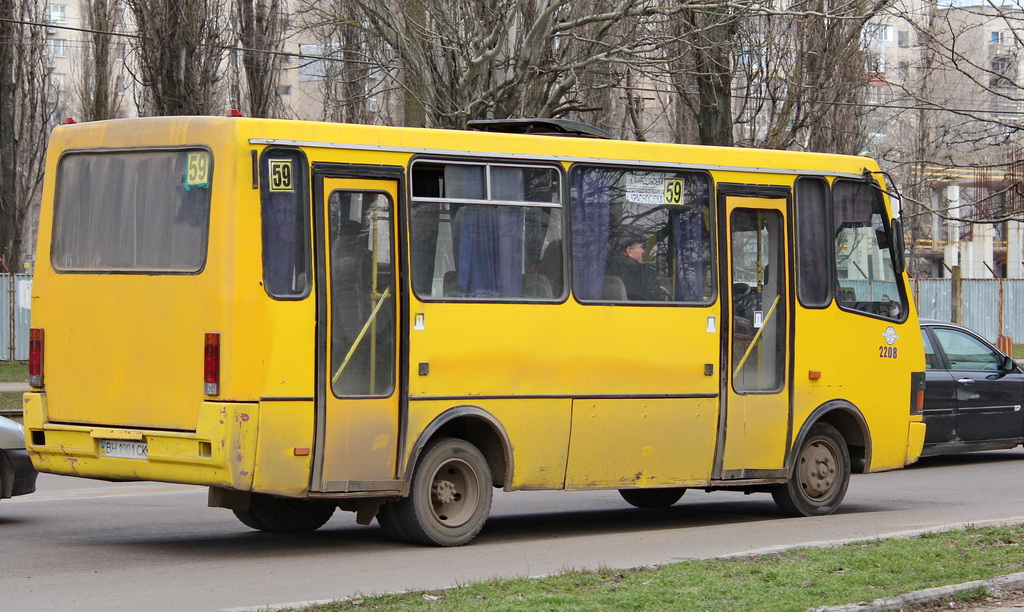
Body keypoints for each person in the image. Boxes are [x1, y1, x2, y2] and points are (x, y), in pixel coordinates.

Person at [605, 229, 669, 301]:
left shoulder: (609, 268)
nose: (643, 252)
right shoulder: (633, 270)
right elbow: (642, 298)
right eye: (642, 247)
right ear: (629, 251)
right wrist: (659, 292)